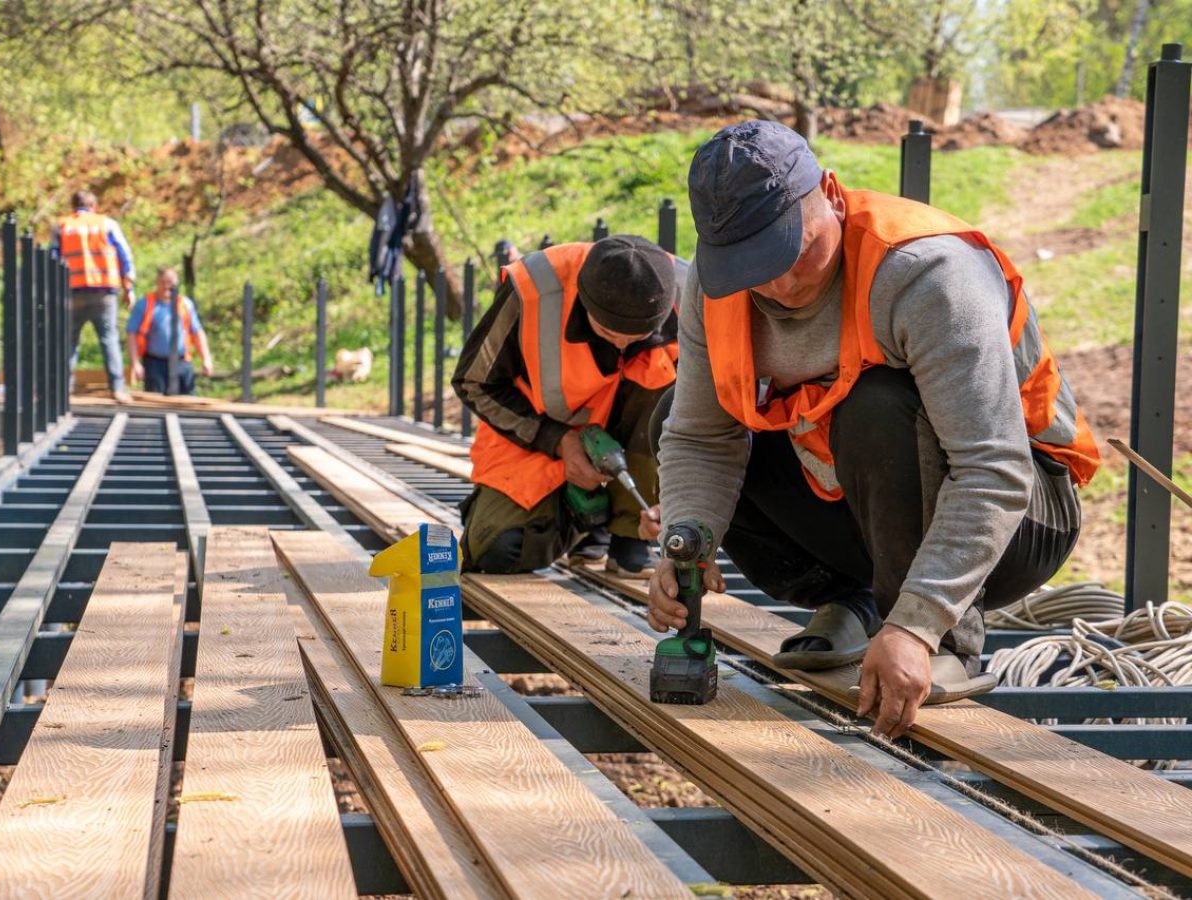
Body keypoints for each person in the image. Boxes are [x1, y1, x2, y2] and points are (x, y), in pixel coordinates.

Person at [649, 121, 1100, 737]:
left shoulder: (924, 272)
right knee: (673, 412)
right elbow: (701, 437)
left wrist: (919, 623)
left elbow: (993, 469)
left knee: (875, 404)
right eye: (754, 267)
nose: (781, 284)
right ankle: (855, 602)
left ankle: (948, 638)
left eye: (794, 250)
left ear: (831, 195)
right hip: (865, 500)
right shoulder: (715, 283)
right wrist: (687, 541)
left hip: (1023, 514)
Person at [452, 236, 682, 577]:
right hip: (542, 436)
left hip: (636, 452)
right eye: (606, 331)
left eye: (636, 339)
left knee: (671, 389)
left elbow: (712, 413)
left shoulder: (693, 296)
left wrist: (677, 502)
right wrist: (559, 441)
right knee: (496, 549)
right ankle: (589, 524)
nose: (620, 344)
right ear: (584, 302)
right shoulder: (535, 290)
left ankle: (627, 534)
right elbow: (474, 382)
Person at [54, 190, 135, 404]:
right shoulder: (106, 224)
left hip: (72, 292)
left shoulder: (63, 226)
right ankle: (117, 388)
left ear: (73, 207)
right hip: (103, 292)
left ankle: (64, 390)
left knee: (69, 341)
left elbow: (53, 258)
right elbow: (124, 255)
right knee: (109, 339)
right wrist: (129, 288)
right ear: (94, 205)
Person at [126, 267, 214, 395]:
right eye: (163, 282)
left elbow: (197, 332)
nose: (167, 286)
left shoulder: (185, 304)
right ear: (157, 282)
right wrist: (135, 363)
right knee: (155, 404)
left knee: (187, 402)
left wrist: (206, 358)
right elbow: (132, 334)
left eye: (171, 282)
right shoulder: (145, 304)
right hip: (155, 363)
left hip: (181, 362)